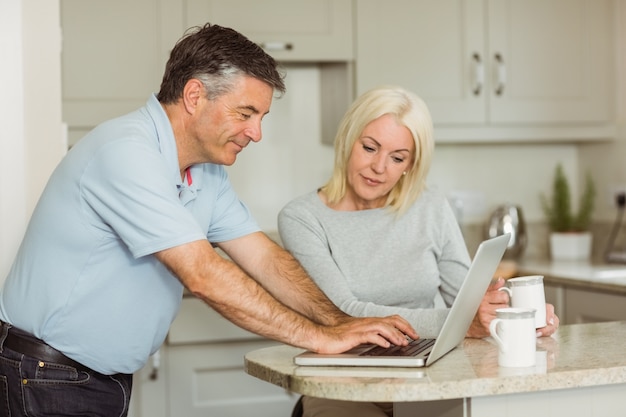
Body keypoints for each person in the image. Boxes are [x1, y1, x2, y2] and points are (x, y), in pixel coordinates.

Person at [0, 24, 417, 417]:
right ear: (195, 96)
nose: (256, 133)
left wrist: (340, 321)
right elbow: (203, 273)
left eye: (261, 118)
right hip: (43, 373)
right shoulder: (125, 152)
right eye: (246, 113)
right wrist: (320, 338)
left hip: (92, 377)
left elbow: (263, 258)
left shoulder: (206, 170)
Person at [277, 86, 559, 417]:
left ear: (410, 164)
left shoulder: (431, 208)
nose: (379, 167)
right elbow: (343, 312)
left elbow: (467, 297)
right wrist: (462, 323)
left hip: (430, 377)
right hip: (344, 380)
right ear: (347, 140)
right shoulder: (302, 218)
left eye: (397, 157)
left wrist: (520, 316)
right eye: (369, 148)